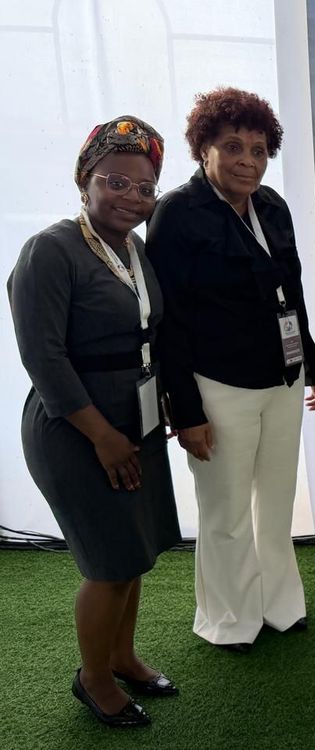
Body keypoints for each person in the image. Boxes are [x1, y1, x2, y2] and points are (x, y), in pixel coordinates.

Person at [146, 87, 315, 652]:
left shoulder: (272, 206)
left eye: (258, 149)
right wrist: (186, 412)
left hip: (283, 380)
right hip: (218, 385)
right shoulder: (177, 214)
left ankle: (278, 606)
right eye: (232, 147)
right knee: (226, 509)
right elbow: (168, 321)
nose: (248, 161)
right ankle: (229, 619)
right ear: (203, 148)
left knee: (274, 502)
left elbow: (291, 296)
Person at [8, 117, 179, 727]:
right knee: (108, 564)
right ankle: (94, 678)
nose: (132, 197)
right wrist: (102, 435)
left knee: (133, 555)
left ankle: (123, 657)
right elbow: (43, 356)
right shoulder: (50, 251)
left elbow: (147, 334)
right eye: (116, 181)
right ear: (84, 180)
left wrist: (156, 406)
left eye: (146, 188)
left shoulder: (133, 249)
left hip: (134, 420)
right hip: (78, 429)